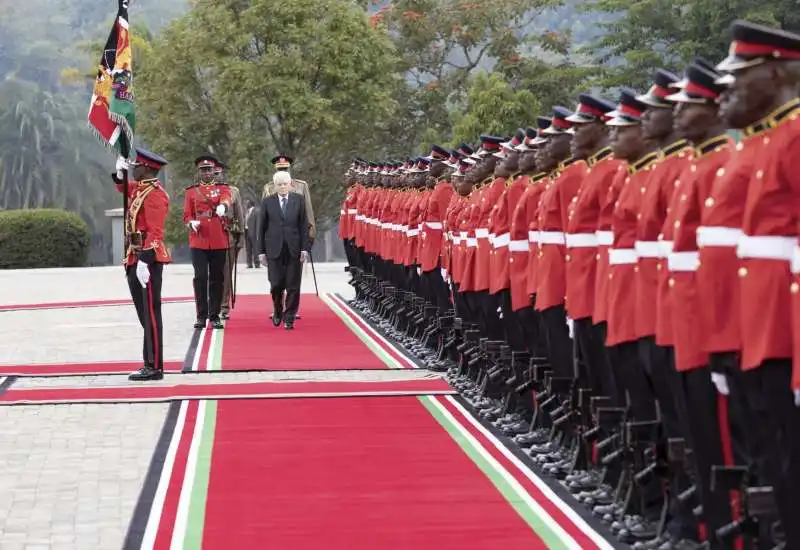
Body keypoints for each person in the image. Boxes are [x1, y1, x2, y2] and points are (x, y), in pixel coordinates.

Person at [113, 148, 171, 381]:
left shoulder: (155, 194)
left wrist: (145, 261)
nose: (134, 167)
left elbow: (156, 231)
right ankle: (150, 362)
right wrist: (120, 172)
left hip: (147, 260)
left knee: (151, 315)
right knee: (144, 315)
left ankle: (154, 366)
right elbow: (123, 189)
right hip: (134, 257)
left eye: (137, 165)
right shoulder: (141, 189)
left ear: (147, 169)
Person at [183, 154, 232, 330]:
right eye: (203, 170)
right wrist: (191, 222)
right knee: (201, 277)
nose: (206, 173)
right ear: (199, 172)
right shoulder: (191, 191)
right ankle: (201, 315)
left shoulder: (222, 188)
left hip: (218, 238)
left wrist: (223, 207)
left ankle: (215, 315)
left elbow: (227, 198)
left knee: (217, 278)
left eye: (209, 170)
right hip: (199, 239)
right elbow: (187, 214)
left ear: (214, 170)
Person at [258, 171, 311, 330]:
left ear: (290, 185)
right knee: (276, 284)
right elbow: (261, 228)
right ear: (275, 186)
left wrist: (304, 248)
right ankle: (277, 309)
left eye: (285, 184)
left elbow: (303, 225)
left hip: (294, 248)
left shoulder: (298, 200)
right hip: (274, 249)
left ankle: (289, 317)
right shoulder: (267, 202)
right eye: (279, 184)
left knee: (293, 285)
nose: (282, 187)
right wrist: (261, 252)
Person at [218, 161, 245, 320]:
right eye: (213, 173)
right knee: (213, 274)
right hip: (209, 240)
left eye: (218, 173)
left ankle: (224, 306)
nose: (217, 176)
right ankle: (213, 303)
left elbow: (240, 217)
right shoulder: (203, 191)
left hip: (228, 238)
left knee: (226, 274)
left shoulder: (233, 191)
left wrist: (241, 238)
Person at [244, 199, 260, 268]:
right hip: (246, 232)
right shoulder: (246, 212)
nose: (246, 204)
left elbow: (258, 223)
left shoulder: (256, 211)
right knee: (248, 249)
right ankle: (249, 263)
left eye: (247, 203)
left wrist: (257, 234)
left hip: (254, 233)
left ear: (251, 203)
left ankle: (257, 263)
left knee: (255, 249)